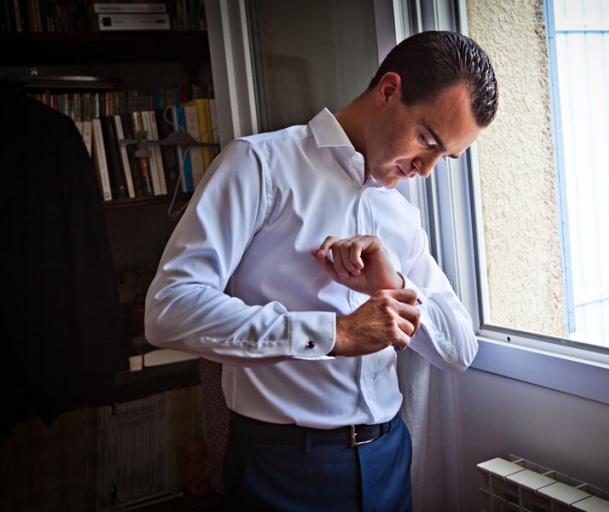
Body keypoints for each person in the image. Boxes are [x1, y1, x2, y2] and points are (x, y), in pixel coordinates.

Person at [144, 30, 498, 511]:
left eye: (445, 157)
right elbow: (169, 308)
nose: (425, 169)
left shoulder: (400, 216)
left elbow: (460, 349)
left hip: (389, 459)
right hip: (283, 468)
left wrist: (393, 285)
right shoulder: (259, 165)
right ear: (388, 90)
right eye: (427, 140)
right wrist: (333, 333)